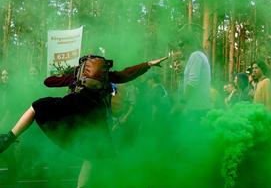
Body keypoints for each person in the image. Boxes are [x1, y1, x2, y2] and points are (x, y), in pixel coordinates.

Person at [0, 55, 168, 158]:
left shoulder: (77, 76)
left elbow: (48, 82)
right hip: (95, 117)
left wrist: (69, 73)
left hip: (73, 107)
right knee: (100, 155)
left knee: (37, 107)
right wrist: (148, 64)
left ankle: (9, 138)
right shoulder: (107, 77)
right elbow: (126, 74)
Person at [180, 37, 211, 119]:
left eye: (182, 44)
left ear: (190, 44)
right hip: (200, 107)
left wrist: (183, 102)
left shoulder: (196, 55)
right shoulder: (200, 55)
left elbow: (193, 82)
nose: (180, 48)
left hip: (196, 109)